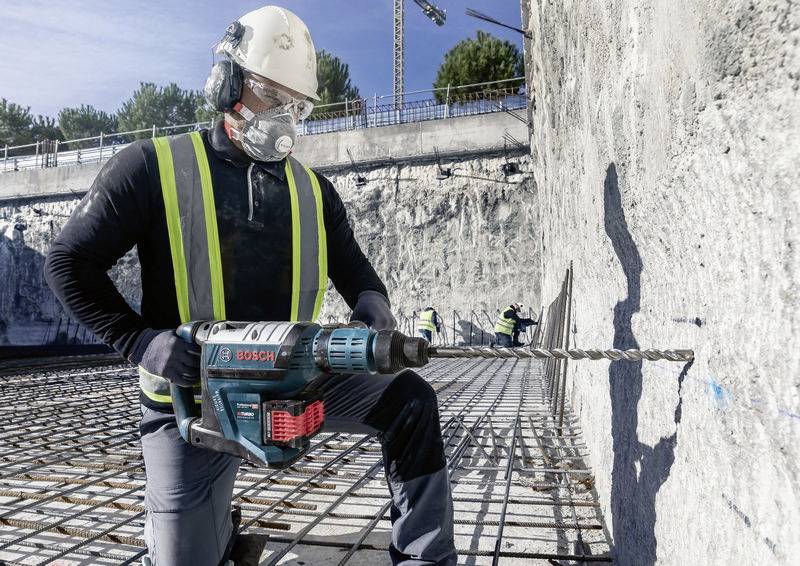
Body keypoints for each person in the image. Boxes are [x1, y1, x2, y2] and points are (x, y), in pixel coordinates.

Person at [44, 7, 456, 566]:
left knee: (410, 399)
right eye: (269, 96)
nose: (284, 117)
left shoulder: (314, 192)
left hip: (294, 383)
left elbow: (358, 272)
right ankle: (212, 529)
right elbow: (68, 263)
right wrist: (140, 342)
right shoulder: (151, 167)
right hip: (191, 402)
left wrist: (372, 303)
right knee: (182, 559)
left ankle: (425, 558)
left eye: (298, 106)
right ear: (227, 83)